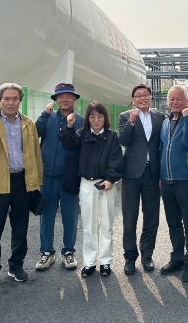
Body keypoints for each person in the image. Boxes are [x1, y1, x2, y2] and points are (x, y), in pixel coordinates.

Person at [0, 83, 43, 289]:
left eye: (15, 99)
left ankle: (16, 266)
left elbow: (36, 154)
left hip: (22, 181)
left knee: (20, 227)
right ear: (0, 100)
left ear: (19, 101)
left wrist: (37, 182)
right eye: (6, 99)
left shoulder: (28, 123)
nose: (11, 102)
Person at [60, 101, 123, 278]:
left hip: (107, 184)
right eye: (92, 116)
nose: (96, 120)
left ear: (105, 118)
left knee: (106, 224)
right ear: (87, 118)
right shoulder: (81, 134)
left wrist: (110, 179)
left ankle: (105, 262)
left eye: (100, 116)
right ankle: (89, 262)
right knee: (89, 225)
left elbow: (116, 159)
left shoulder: (112, 136)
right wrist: (69, 126)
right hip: (87, 184)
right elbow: (68, 143)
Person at [34, 83, 83, 272]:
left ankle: (68, 251)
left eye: (69, 96)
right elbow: (35, 133)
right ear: (55, 100)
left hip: (70, 177)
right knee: (46, 216)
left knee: (70, 216)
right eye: (60, 96)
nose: (65, 99)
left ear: (74, 99)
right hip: (48, 176)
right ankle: (47, 252)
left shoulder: (80, 121)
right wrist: (44, 114)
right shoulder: (48, 118)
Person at [118, 84, 165, 275]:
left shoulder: (160, 117)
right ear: (133, 99)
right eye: (138, 95)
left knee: (151, 217)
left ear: (150, 97)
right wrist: (131, 121)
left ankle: (147, 255)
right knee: (130, 218)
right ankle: (130, 257)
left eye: (145, 94)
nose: (142, 98)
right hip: (131, 174)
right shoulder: (125, 116)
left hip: (152, 173)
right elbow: (123, 140)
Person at [159, 86, 188, 283]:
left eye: (179, 99)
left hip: (187, 181)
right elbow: (162, 148)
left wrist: (187, 118)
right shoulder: (165, 122)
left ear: (186, 101)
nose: (175, 102)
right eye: (172, 99)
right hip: (167, 181)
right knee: (173, 223)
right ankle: (177, 258)